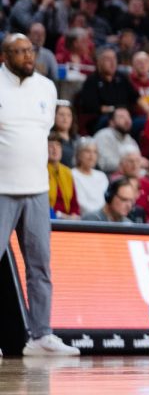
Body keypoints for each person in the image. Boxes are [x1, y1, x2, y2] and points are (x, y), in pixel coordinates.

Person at [0, 33, 80, 355]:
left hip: (36, 190)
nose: (27, 57)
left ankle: (41, 336)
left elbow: (41, 131)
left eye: (29, 51)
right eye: (19, 52)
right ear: (4, 57)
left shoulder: (47, 87)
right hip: (2, 189)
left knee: (40, 266)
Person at [92, 106, 140, 173]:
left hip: (130, 175)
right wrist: (131, 164)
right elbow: (104, 164)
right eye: (121, 117)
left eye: (128, 116)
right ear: (112, 122)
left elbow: (139, 163)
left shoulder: (131, 140)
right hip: (111, 177)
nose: (127, 120)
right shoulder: (103, 136)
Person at [70, 137, 109, 214]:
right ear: (79, 154)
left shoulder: (102, 176)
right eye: (87, 151)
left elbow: (106, 201)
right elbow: (80, 202)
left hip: (103, 217)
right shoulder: (72, 174)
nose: (92, 156)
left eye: (95, 152)